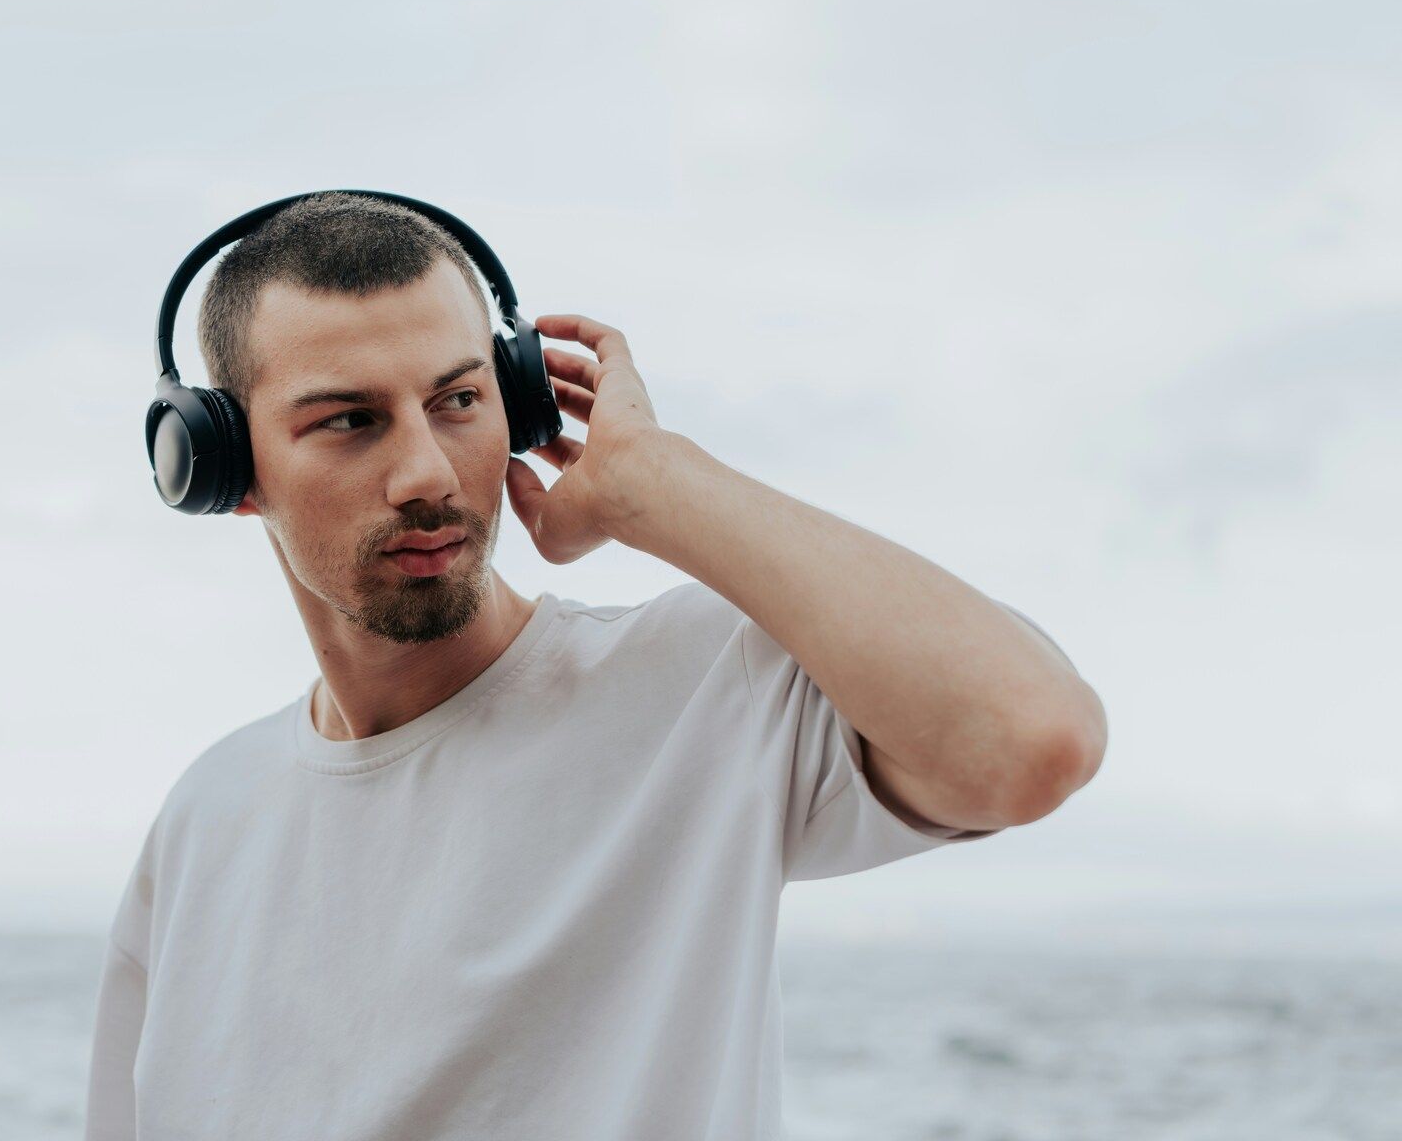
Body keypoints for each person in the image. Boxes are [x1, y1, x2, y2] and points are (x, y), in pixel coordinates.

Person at [84, 192, 1106, 1140]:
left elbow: (1030, 737)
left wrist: (651, 483)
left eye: (459, 400)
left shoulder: (701, 688)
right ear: (225, 468)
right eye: (350, 419)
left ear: (521, 400)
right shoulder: (205, 821)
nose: (428, 473)